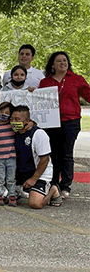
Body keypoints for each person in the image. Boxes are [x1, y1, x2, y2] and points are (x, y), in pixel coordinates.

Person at [39, 51, 90, 199]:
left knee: (66, 153)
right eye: (59, 61)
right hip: (51, 122)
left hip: (71, 121)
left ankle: (65, 185)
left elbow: (88, 96)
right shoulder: (45, 82)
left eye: (65, 61)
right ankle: (53, 182)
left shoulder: (76, 79)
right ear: (53, 65)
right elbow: (40, 102)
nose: (62, 63)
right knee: (53, 153)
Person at [11, 105, 62, 209]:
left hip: (39, 173)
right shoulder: (13, 133)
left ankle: (53, 189)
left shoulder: (38, 134)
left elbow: (45, 159)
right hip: (21, 171)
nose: (13, 121)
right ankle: (21, 190)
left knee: (35, 204)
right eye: (12, 119)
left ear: (27, 120)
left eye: (17, 119)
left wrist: (34, 179)